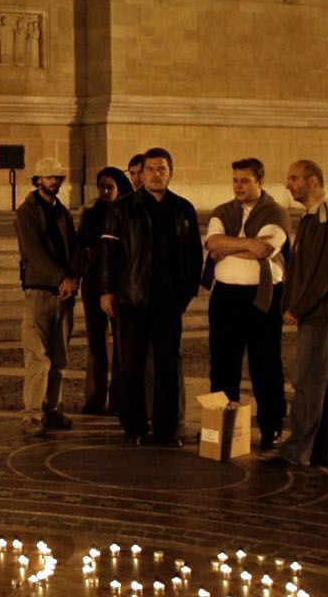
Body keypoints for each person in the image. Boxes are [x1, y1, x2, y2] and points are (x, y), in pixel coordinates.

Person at [100, 146, 203, 446]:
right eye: (151, 169)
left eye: (162, 169)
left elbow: (194, 254)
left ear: (170, 173)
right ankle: (134, 427)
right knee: (130, 366)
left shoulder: (183, 209)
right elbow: (108, 252)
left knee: (167, 367)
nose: (157, 175)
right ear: (141, 174)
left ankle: (166, 429)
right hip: (131, 298)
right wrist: (107, 291)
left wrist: (186, 293)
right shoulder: (122, 208)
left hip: (168, 302)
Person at [204, 157, 290, 453]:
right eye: (235, 180)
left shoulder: (276, 212)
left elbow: (266, 248)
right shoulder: (222, 211)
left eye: (245, 180)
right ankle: (222, 430)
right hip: (225, 296)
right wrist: (246, 244)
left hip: (262, 298)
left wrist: (229, 246)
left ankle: (271, 426)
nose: (238, 186)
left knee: (265, 364)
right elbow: (212, 243)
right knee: (222, 364)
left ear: (259, 182)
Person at [277, 159, 328, 467]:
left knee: (307, 379)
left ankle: (297, 451)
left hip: (323, 313)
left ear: (313, 181)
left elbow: (324, 272)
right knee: (323, 380)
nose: (288, 185)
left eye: (294, 178)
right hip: (318, 311)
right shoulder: (311, 216)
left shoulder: (325, 217)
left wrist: (298, 307)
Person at [14, 158, 80, 440]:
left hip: (64, 291)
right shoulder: (26, 212)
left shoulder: (62, 212)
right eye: (49, 177)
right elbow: (33, 251)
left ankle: (51, 406)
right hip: (40, 289)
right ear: (37, 180)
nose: (54, 182)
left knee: (59, 354)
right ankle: (32, 413)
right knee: (37, 355)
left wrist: (74, 277)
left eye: (58, 178)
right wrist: (61, 277)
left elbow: (74, 247)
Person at [77, 167, 131, 413]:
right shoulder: (90, 213)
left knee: (122, 342)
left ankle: (120, 397)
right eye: (102, 187)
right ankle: (95, 397)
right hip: (93, 282)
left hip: (121, 284)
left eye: (110, 187)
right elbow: (83, 244)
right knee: (96, 341)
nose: (105, 191)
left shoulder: (128, 211)